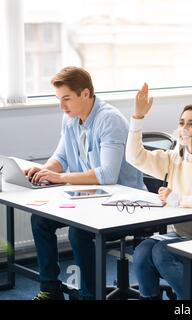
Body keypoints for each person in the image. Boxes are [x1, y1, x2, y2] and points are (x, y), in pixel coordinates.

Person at [26, 66, 145, 300]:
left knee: (78, 232)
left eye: (66, 99)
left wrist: (60, 178)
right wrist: (43, 170)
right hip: (90, 198)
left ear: (86, 94)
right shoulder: (70, 118)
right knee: (40, 220)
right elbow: (60, 157)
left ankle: (90, 295)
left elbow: (107, 175)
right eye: (59, 99)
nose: (62, 106)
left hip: (124, 204)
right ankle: (50, 289)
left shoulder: (108, 119)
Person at [127, 83, 192, 299]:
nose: (184, 128)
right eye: (181, 123)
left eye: (191, 124)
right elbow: (134, 157)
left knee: (161, 253)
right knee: (141, 252)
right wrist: (137, 117)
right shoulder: (174, 159)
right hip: (181, 234)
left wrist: (179, 199)